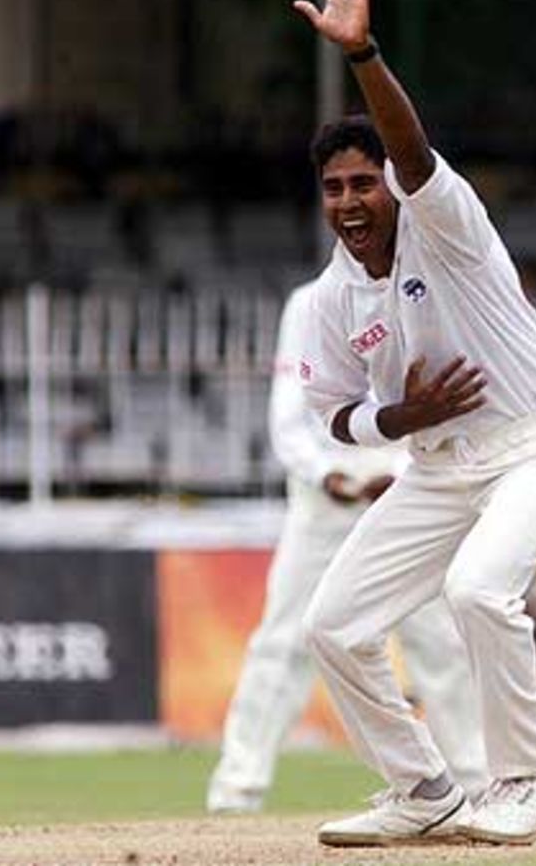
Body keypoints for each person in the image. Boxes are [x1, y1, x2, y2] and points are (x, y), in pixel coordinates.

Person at [292, 0, 536, 847]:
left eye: (362, 183)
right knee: (334, 625)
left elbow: (410, 147)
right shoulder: (328, 299)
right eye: (334, 188)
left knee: (478, 590)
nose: (350, 201)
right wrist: (400, 418)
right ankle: (423, 786)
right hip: (437, 469)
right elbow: (336, 416)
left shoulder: (444, 221)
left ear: (388, 187)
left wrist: (361, 56)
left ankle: (533, 778)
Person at [205, 281, 488, 814]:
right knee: (283, 641)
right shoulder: (309, 303)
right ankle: (236, 791)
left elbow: (438, 401)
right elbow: (290, 414)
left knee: (438, 643)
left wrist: (400, 473)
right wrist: (331, 475)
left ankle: (478, 784)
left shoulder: (424, 292)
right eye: (335, 190)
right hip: (324, 500)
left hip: (411, 491)